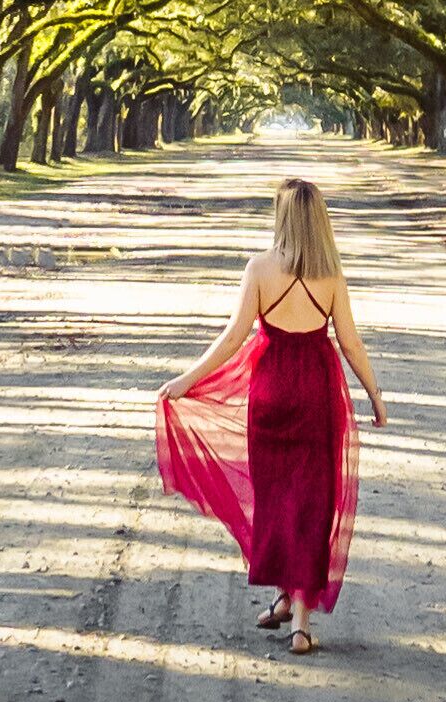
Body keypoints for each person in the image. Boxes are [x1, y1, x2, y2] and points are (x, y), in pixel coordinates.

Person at [155, 175, 386, 655]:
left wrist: (186, 381)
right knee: (312, 505)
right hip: (318, 394)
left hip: (271, 393)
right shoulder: (331, 275)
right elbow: (350, 343)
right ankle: (297, 615)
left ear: (282, 217)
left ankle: (287, 601)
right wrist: (376, 396)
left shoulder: (259, 269)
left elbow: (233, 337)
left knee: (276, 497)